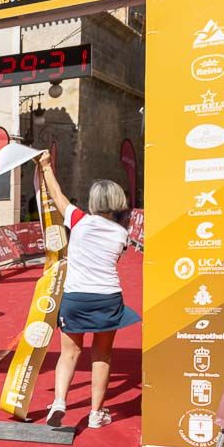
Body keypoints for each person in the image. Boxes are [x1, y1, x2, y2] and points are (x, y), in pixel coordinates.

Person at [38, 152, 140, 430]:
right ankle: (96, 413)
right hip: (107, 297)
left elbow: (58, 196)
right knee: (102, 356)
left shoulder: (79, 220)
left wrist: (46, 167)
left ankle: (60, 401)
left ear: (94, 201)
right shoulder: (121, 234)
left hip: (75, 297)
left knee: (69, 354)